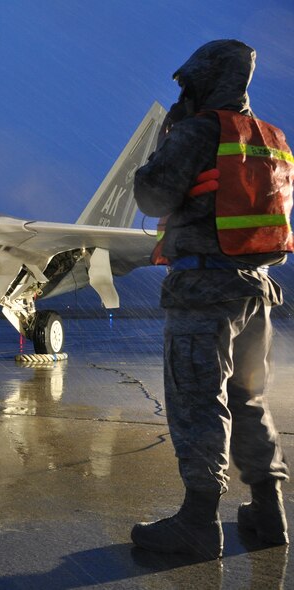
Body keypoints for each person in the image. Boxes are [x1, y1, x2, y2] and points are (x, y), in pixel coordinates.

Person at [131, 39, 293, 560]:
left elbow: (152, 194)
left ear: (207, 78)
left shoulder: (200, 130)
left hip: (203, 291)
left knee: (197, 400)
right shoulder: (271, 137)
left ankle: (198, 524)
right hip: (254, 288)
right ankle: (269, 515)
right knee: (248, 400)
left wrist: (163, 146)